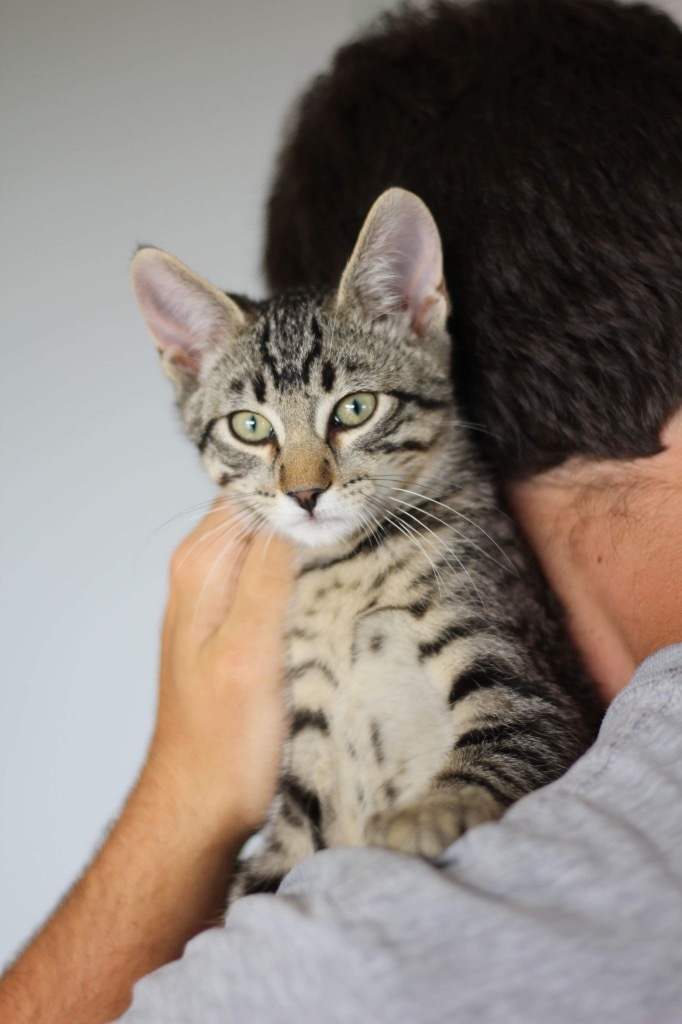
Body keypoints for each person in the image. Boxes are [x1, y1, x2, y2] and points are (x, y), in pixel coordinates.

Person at [2, 0, 681, 1021]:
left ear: (426, 323)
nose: (306, 475)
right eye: (255, 436)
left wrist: (178, 799)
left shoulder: (363, 966)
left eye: (348, 413)